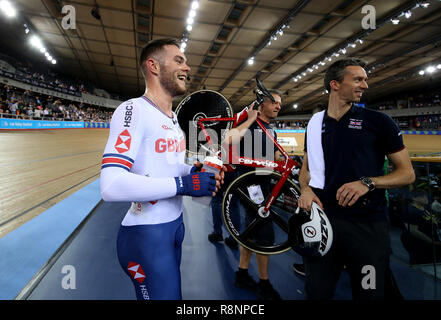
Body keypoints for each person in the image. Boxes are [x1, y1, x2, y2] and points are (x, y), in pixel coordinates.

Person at [100, 38, 222, 300]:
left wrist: (192, 172)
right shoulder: (133, 109)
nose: (187, 68)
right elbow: (110, 184)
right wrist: (182, 185)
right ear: (153, 66)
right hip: (146, 236)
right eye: (179, 60)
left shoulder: (172, 118)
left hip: (173, 227)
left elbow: (167, 164)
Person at [297, 58, 415, 300]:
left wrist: (368, 183)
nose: (366, 85)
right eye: (358, 79)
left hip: (367, 228)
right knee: (316, 292)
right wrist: (305, 190)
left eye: (365, 80)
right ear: (335, 84)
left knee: (369, 293)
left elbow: (407, 173)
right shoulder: (314, 124)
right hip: (323, 224)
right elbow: (306, 171)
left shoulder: (379, 122)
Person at [223, 89, 284, 300]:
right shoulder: (251, 125)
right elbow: (228, 140)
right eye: (274, 102)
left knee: (250, 229)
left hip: (265, 186)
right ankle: (264, 283)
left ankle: (241, 273)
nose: (278, 106)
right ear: (262, 104)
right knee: (265, 234)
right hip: (250, 186)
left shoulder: (270, 130)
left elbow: (275, 158)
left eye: (280, 104)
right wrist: (250, 119)